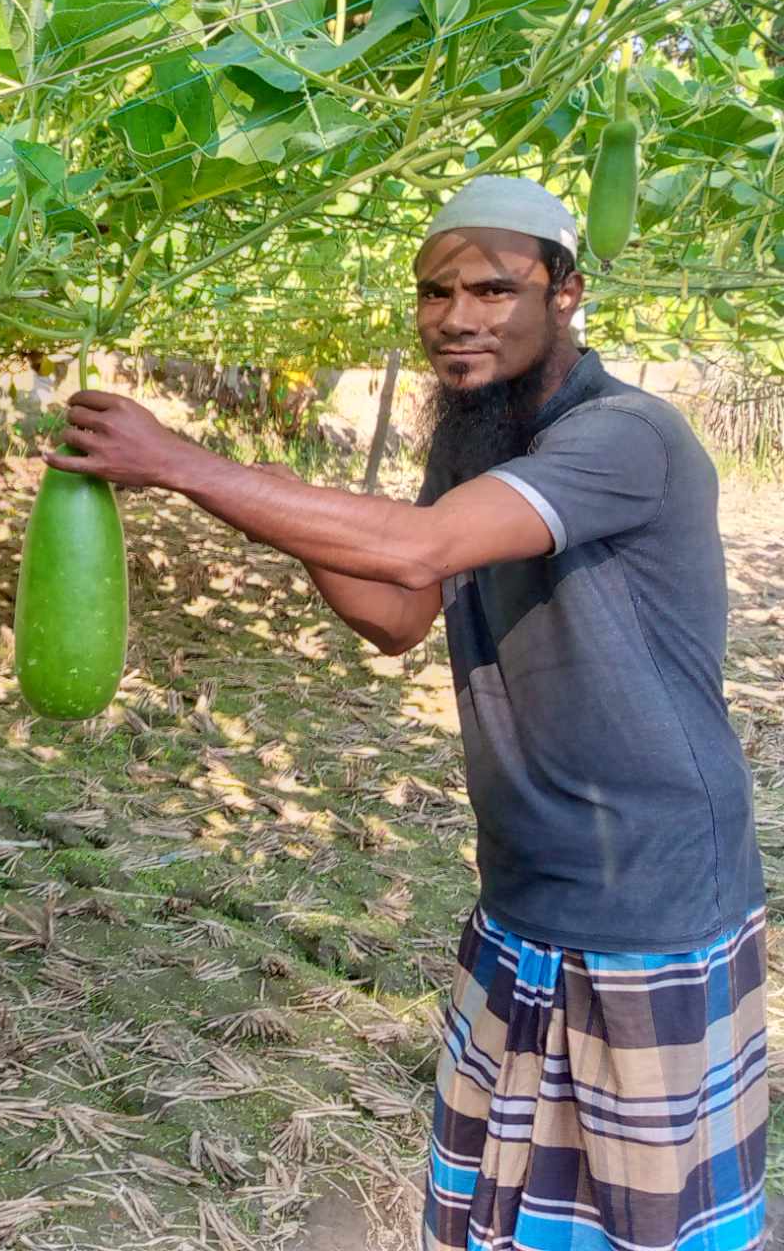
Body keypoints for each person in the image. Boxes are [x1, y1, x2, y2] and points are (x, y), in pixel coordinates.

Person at [50, 175, 767, 1251]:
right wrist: (261, 508)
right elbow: (393, 612)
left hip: (647, 894)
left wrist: (183, 464)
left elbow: (414, 547)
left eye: (492, 287)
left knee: (649, 1225)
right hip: (526, 879)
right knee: (507, 1213)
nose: (457, 317)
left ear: (565, 292)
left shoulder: (627, 436)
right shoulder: (474, 439)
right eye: (434, 294)